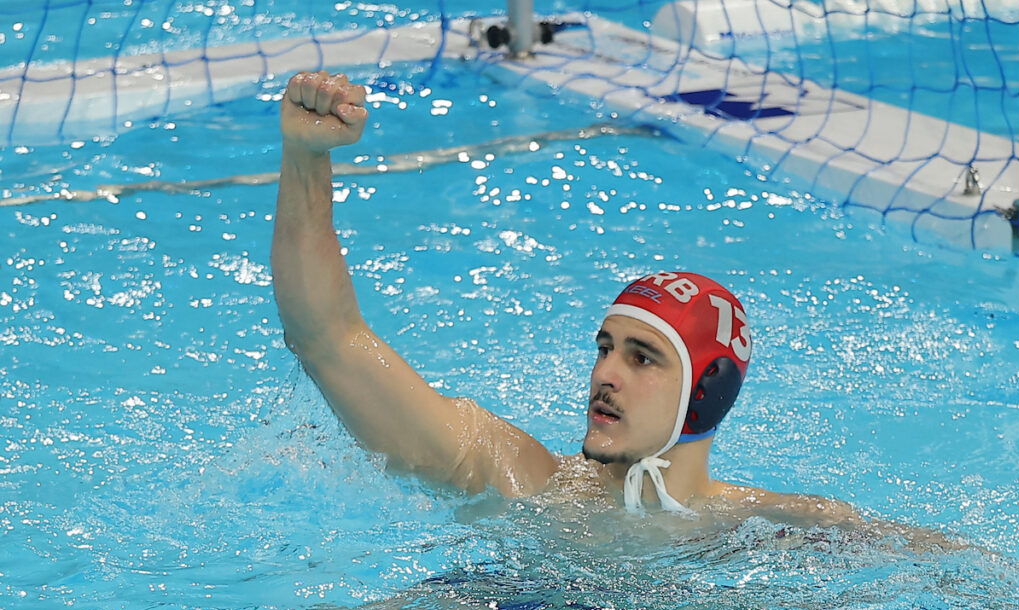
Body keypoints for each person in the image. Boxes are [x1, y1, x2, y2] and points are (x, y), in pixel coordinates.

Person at [271, 69, 859, 523]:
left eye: (642, 356)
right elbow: (329, 340)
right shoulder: (515, 477)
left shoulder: (782, 527)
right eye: (606, 347)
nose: (606, 373)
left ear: (705, 392)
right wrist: (305, 158)